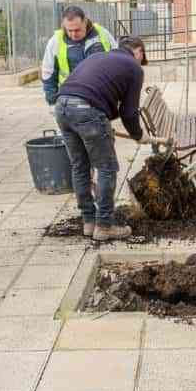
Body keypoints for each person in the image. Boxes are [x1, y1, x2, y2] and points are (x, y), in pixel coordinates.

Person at [54, 36, 150, 241]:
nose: (141, 61)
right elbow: (129, 111)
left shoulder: (99, 56)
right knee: (107, 168)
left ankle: (89, 222)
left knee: (80, 166)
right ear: (139, 52)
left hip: (62, 106)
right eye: (142, 57)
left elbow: (101, 95)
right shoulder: (134, 67)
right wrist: (138, 135)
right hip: (86, 110)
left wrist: (102, 124)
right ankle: (105, 226)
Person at [41, 5, 116, 106]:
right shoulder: (56, 41)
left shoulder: (102, 34)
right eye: (69, 30)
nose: (73, 34)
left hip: (100, 96)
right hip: (71, 98)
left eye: (77, 30)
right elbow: (48, 72)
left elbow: (117, 61)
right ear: (63, 24)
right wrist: (53, 101)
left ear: (85, 22)